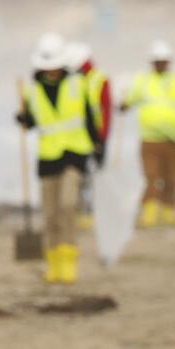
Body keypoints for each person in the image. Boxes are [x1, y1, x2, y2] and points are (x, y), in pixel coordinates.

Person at [15, 33, 92, 284]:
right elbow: (34, 122)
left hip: (75, 154)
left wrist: (97, 148)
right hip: (48, 159)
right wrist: (23, 120)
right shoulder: (33, 91)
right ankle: (54, 263)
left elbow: (90, 119)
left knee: (68, 206)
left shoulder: (79, 84)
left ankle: (70, 261)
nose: (52, 70)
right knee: (50, 215)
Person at [123, 39, 175, 226]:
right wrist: (122, 105)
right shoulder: (143, 81)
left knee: (171, 177)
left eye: (163, 60)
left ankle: (169, 209)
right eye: (157, 60)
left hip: (174, 138)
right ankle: (150, 210)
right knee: (152, 177)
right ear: (152, 62)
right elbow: (130, 101)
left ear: (169, 61)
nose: (160, 64)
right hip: (150, 139)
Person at [66, 41, 111, 225]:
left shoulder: (99, 80)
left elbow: (105, 111)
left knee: (93, 177)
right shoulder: (71, 80)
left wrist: (101, 138)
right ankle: (80, 211)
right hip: (76, 137)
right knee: (80, 178)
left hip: (95, 136)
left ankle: (90, 212)